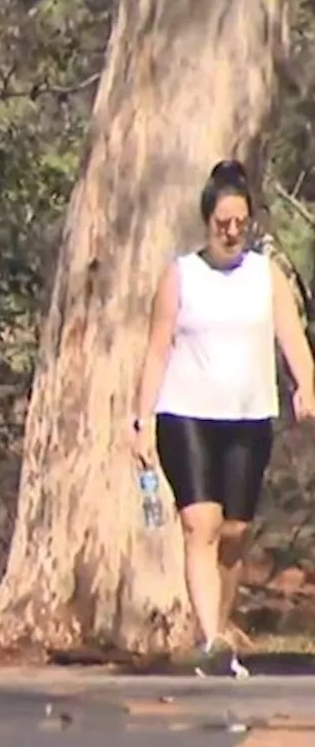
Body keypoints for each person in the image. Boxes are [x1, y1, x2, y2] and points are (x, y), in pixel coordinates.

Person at [134, 160, 315, 678]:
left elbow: (292, 339)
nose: (232, 233)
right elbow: (155, 351)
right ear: (207, 222)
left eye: (240, 223)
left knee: (234, 532)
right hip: (185, 413)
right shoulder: (180, 276)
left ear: (250, 221)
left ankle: (218, 627)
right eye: (222, 224)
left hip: (248, 416)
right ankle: (212, 639)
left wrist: (306, 383)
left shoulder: (267, 276)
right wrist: (140, 419)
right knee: (200, 524)